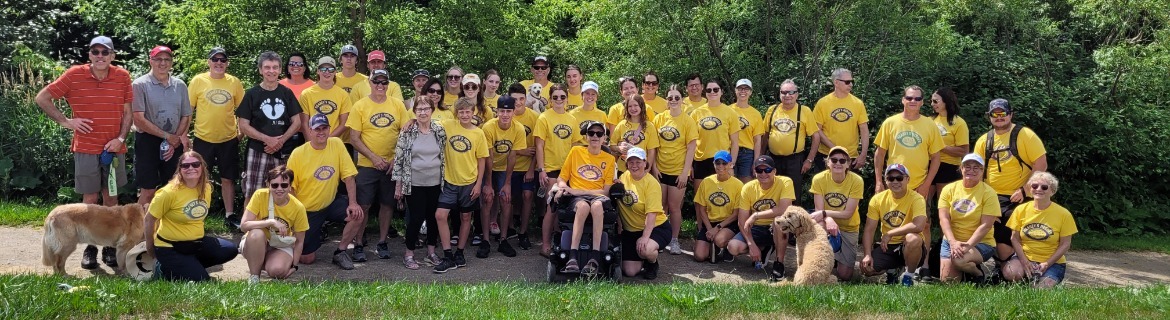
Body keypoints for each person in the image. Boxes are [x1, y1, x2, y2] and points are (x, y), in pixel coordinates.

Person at [35, 35, 133, 270]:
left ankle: (109, 250)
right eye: (95, 52)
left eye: (105, 52)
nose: (100, 56)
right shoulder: (74, 74)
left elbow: (128, 113)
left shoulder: (122, 76)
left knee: (111, 200)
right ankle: (90, 251)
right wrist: (67, 121)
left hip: (114, 148)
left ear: (112, 55)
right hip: (86, 148)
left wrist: (120, 139)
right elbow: (42, 97)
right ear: (89, 54)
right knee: (89, 201)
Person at [873, 85, 943, 276]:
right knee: (893, 223)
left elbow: (936, 158)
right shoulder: (890, 123)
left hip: (919, 185)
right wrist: (879, 181)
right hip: (894, 183)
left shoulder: (929, 125)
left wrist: (927, 184)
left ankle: (924, 265)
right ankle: (893, 264)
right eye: (910, 98)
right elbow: (880, 154)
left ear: (922, 102)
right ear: (903, 99)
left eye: (918, 99)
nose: (913, 101)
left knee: (924, 225)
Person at [973, 98, 1047, 263]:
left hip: (1019, 196)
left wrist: (1024, 190)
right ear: (989, 116)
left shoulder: (1025, 135)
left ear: (1011, 114)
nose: (999, 117)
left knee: (1007, 237)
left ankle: (1013, 268)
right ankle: (1000, 267)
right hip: (992, 197)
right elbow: (975, 170)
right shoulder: (984, 140)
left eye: (1003, 113)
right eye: (994, 114)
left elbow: (1041, 164)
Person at [144, 151, 238, 281]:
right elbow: (149, 220)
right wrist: (150, 247)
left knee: (230, 249)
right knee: (202, 281)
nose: (191, 168)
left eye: (195, 164)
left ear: (202, 167)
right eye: (185, 166)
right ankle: (164, 268)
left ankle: (186, 267)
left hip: (196, 243)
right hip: (170, 247)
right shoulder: (167, 193)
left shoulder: (206, 188)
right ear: (180, 169)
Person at [286, 114, 364, 270]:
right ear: (309, 130)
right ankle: (311, 235)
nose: (321, 132)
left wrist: (353, 203)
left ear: (329, 129)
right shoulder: (298, 154)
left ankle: (340, 252)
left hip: (330, 203)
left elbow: (349, 177)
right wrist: (297, 216)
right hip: (307, 210)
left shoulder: (336, 144)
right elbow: (290, 188)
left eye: (324, 128)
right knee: (307, 259)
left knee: (357, 214)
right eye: (317, 129)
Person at [348, 69, 412, 259]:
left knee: (387, 204)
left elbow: (406, 133)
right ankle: (359, 243)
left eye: (384, 82)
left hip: (391, 165)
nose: (380, 86)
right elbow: (354, 138)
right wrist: (374, 157)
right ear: (370, 82)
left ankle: (382, 242)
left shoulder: (397, 105)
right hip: (368, 165)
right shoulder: (360, 106)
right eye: (377, 82)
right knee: (364, 205)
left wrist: (395, 159)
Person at [236, 51, 304, 211]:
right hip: (257, 150)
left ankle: (281, 229)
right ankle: (249, 231)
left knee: (283, 192)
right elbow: (243, 125)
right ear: (260, 70)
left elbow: (297, 122)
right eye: (267, 67)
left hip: (283, 151)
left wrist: (280, 141)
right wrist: (267, 139)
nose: (271, 71)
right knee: (252, 192)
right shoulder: (252, 94)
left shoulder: (286, 93)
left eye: (274, 67)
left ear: (280, 69)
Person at [189, 47, 245, 229]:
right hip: (202, 138)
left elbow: (244, 111)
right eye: (215, 60)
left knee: (228, 178)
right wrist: (183, 135)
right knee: (198, 178)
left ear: (227, 63)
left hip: (228, 139)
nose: (219, 63)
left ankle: (229, 215)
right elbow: (188, 111)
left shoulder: (234, 82)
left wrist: (240, 134)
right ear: (209, 62)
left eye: (222, 60)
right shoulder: (198, 81)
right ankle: (196, 214)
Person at [431, 97, 490, 273]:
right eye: (461, 112)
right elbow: (428, 122)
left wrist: (479, 184)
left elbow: (482, 160)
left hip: (469, 182)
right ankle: (447, 254)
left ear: (473, 113)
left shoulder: (478, 133)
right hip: (450, 181)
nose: (465, 115)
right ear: (457, 113)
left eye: (468, 112)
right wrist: (411, 120)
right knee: (440, 215)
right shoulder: (448, 125)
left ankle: (460, 253)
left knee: (466, 218)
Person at [552, 121, 617, 276]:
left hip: (596, 197)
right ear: (586, 137)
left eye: (599, 134)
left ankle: (595, 257)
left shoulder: (609, 159)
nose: (595, 136)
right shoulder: (575, 152)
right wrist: (562, 187)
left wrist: (575, 191)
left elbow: (606, 191)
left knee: (596, 207)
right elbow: (561, 178)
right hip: (577, 199)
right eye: (591, 133)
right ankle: (572, 257)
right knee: (583, 206)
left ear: (604, 138)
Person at [132, 45, 192, 209]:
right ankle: (139, 229)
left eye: (167, 59)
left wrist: (175, 139)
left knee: (173, 187)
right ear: (150, 61)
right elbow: (138, 119)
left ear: (171, 62)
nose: (163, 63)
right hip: (148, 142)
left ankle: (168, 229)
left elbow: (186, 115)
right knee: (148, 190)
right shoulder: (140, 84)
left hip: (175, 140)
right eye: (158, 59)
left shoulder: (180, 85)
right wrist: (167, 137)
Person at [392, 97, 445, 270]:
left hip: (436, 182)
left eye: (426, 109)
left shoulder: (439, 130)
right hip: (414, 183)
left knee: (433, 218)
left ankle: (431, 252)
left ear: (432, 110)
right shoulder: (407, 131)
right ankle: (409, 254)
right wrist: (398, 185)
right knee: (415, 218)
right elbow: (398, 159)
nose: (423, 112)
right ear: (414, 112)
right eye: (419, 109)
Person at [1002, 171, 1076, 289]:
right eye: (1034, 186)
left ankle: (1041, 279)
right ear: (1030, 189)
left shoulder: (1064, 214)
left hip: (1053, 262)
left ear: (1052, 191)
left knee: (1042, 289)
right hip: (1026, 257)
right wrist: (1024, 260)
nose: (1038, 189)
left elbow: (1065, 244)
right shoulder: (1020, 210)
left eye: (1044, 187)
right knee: (1010, 273)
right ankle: (1027, 275)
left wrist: (1047, 264)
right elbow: (1014, 238)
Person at [728, 155, 795, 281]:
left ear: (774, 171)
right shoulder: (747, 188)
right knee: (733, 247)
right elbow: (742, 221)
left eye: (767, 170)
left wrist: (755, 215)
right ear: (754, 172)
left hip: (779, 228)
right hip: (757, 228)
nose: (763, 173)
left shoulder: (785, 182)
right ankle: (763, 248)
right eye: (759, 170)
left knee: (778, 221)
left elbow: (784, 209)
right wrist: (751, 244)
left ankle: (779, 263)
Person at [535, 84, 583, 256]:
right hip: (551, 168)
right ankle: (545, 244)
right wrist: (541, 170)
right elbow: (539, 146)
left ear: (567, 99)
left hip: (567, 169)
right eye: (555, 97)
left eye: (562, 97)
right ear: (550, 99)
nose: (559, 100)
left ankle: (559, 241)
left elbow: (576, 144)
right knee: (552, 207)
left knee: (564, 209)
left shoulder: (571, 119)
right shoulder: (544, 117)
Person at [239, 165, 308, 284]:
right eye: (275, 185)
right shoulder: (260, 195)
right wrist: (270, 222)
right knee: (256, 233)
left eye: (284, 185)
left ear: (290, 186)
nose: (279, 189)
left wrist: (294, 266)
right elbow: (243, 225)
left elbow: (300, 241)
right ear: (268, 184)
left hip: (280, 245)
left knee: (278, 271)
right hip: (257, 242)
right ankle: (254, 277)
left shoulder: (298, 208)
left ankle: (262, 261)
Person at [861, 164, 927, 286]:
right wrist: (867, 255)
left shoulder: (917, 198)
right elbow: (869, 229)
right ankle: (893, 271)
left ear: (908, 179)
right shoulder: (877, 199)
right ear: (886, 181)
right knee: (867, 269)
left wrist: (890, 233)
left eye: (899, 178)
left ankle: (908, 276)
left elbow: (919, 225)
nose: (895, 181)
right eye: (890, 178)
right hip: (888, 246)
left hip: (909, 245)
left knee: (912, 238)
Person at [937, 154, 999, 283]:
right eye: (967, 167)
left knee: (959, 260)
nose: (971, 170)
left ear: (983, 171)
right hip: (952, 240)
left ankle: (978, 273)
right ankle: (966, 270)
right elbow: (944, 219)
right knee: (948, 281)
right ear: (961, 168)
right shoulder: (949, 189)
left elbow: (986, 225)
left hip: (981, 243)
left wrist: (968, 246)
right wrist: (953, 242)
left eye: (976, 167)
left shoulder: (989, 193)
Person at [652, 85, 697, 257]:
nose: (673, 101)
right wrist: (654, 168)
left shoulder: (688, 120)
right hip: (661, 170)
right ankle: (661, 238)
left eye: (677, 97)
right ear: (666, 100)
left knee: (674, 207)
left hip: (678, 170)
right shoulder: (660, 119)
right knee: (661, 207)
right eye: (670, 98)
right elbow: (654, 146)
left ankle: (675, 239)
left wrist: (685, 172)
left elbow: (691, 147)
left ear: (682, 100)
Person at [478, 96, 526, 258]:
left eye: (508, 111)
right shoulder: (488, 127)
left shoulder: (518, 129)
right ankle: (485, 240)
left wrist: (507, 184)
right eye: (502, 111)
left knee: (506, 199)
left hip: (505, 167)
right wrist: (488, 184)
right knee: (488, 198)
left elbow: (513, 156)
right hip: (488, 167)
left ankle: (503, 240)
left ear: (513, 112)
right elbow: (488, 156)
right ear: (497, 111)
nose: (505, 114)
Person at [809, 146, 864, 280]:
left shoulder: (857, 181)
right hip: (826, 224)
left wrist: (825, 214)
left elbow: (848, 214)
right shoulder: (819, 179)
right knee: (819, 223)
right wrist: (828, 219)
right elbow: (819, 211)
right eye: (834, 160)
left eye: (842, 161)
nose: (838, 163)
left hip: (848, 227)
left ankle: (835, 259)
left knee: (845, 276)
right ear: (828, 163)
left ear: (848, 164)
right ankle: (821, 260)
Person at [763, 79, 821, 200]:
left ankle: (794, 218)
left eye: (791, 92)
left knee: (794, 194)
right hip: (773, 159)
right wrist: (761, 157)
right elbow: (765, 135)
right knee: (773, 193)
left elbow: (816, 137)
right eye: (784, 92)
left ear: (797, 94)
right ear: (779, 94)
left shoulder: (804, 111)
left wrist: (809, 160)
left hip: (795, 160)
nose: (787, 95)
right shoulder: (772, 110)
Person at [616, 147, 668, 279]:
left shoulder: (651, 183)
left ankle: (652, 262)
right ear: (627, 164)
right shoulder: (624, 177)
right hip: (631, 230)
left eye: (638, 162)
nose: (634, 166)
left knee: (646, 249)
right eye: (631, 162)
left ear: (645, 163)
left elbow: (651, 214)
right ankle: (642, 258)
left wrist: (645, 237)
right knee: (630, 272)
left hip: (655, 227)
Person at [813, 68, 869, 171]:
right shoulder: (823, 103)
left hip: (850, 157)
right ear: (836, 82)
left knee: (849, 186)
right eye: (847, 82)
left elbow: (864, 129)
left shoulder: (857, 103)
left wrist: (863, 154)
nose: (851, 85)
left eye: (852, 81)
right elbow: (817, 129)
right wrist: (836, 149)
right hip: (827, 155)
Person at [692, 150, 742, 262]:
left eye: (724, 163)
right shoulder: (706, 181)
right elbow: (702, 209)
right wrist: (710, 228)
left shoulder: (738, 185)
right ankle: (712, 247)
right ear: (714, 164)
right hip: (710, 222)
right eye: (717, 163)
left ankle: (727, 247)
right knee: (699, 256)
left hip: (728, 223)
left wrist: (717, 228)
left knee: (719, 239)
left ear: (730, 165)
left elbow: (736, 214)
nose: (720, 166)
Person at [508, 83, 540, 250]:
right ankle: (507, 231)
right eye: (515, 99)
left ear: (526, 98)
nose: (518, 103)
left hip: (528, 167)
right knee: (509, 198)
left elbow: (537, 148)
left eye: (521, 99)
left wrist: (531, 169)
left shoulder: (534, 117)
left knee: (528, 195)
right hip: (509, 167)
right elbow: (504, 147)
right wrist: (522, 151)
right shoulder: (506, 116)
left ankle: (523, 232)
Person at [689, 80, 741, 181]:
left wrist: (731, 164)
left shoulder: (731, 113)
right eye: (709, 90)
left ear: (721, 92)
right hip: (701, 160)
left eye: (716, 89)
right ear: (705, 92)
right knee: (700, 195)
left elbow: (735, 143)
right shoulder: (696, 113)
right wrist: (690, 165)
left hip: (722, 161)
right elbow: (691, 142)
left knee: (721, 195)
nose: (712, 92)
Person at [297, 56, 351, 142]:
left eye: (330, 69)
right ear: (318, 71)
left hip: (334, 144)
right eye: (323, 69)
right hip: (312, 143)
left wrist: (327, 140)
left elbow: (344, 124)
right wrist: (312, 143)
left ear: (335, 72)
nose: (327, 72)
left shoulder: (343, 94)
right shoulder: (306, 94)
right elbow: (304, 123)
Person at [929, 87, 969, 195]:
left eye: (935, 101)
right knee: (923, 200)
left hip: (949, 166)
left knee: (945, 202)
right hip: (929, 164)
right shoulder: (929, 120)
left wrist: (941, 146)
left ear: (946, 101)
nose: (932, 104)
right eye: (931, 101)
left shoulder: (959, 122)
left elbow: (963, 151)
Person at [610, 95, 660, 174]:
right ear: (626, 108)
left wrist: (647, 169)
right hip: (622, 169)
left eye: (636, 105)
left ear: (641, 106)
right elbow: (612, 145)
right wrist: (619, 148)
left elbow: (651, 151)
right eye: (630, 106)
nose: (633, 109)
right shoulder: (622, 125)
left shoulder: (649, 126)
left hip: (641, 169)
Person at [731, 79, 764, 182]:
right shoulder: (727, 110)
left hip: (747, 154)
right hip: (729, 150)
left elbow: (757, 140)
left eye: (746, 89)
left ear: (750, 92)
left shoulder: (756, 114)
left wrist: (756, 162)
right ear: (735, 91)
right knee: (729, 183)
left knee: (746, 185)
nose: (743, 91)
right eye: (740, 88)